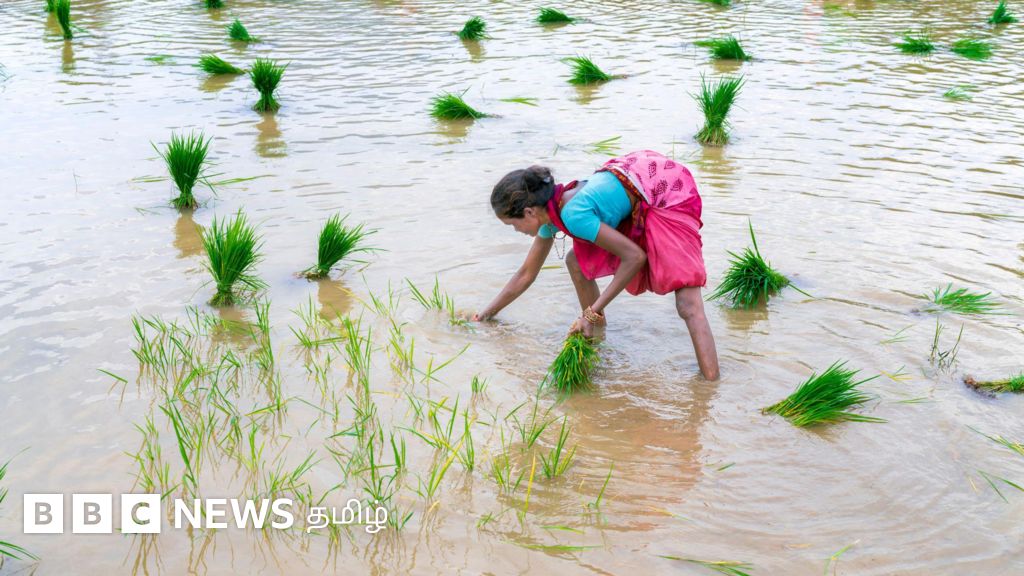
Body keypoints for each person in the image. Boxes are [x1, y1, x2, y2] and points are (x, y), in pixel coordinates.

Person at [472, 149, 720, 381]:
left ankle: (710, 390)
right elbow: (526, 274)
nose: (516, 231)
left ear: (528, 213)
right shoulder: (551, 215)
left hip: (665, 191)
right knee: (575, 262)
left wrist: (590, 312)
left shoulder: (572, 214)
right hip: (635, 182)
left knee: (688, 303)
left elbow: (634, 258)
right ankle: (595, 337)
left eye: (513, 225)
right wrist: (485, 315)